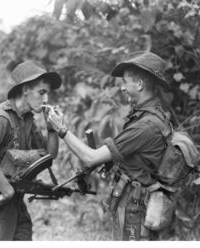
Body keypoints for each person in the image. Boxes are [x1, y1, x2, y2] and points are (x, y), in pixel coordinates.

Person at [48, 51, 172, 240]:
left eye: (125, 82)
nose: (122, 88)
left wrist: (62, 130)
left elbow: (91, 158)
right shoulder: (152, 116)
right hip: (135, 201)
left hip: (134, 207)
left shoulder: (145, 125)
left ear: (139, 84)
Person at [0, 60, 61, 240]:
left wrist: (52, 129)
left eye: (47, 94)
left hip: (16, 201)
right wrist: (6, 190)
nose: (46, 100)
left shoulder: (27, 119)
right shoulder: (1, 117)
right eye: (41, 92)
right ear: (25, 89)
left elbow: (50, 155)